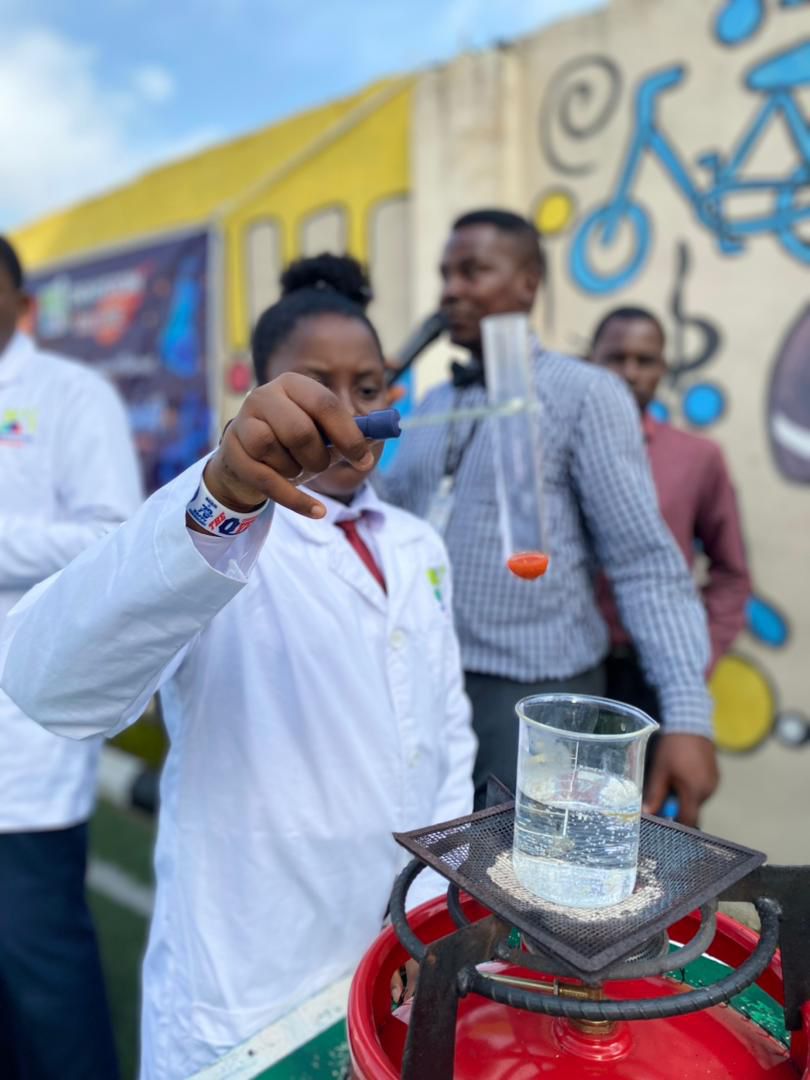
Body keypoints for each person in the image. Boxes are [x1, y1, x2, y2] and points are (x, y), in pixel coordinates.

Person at [0, 256, 476, 1080]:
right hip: (247, 988)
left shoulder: (416, 545)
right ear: (262, 396)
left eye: (367, 387)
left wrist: (428, 914)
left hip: (392, 962)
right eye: (314, 387)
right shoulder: (216, 523)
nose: (345, 412)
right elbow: (51, 685)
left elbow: (447, 737)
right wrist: (222, 497)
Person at [383, 208, 718, 826]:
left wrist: (688, 715)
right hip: (427, 682)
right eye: (446, 274)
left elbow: (644, 561)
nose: (451, 290)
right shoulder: (433, 400)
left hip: (532, 699)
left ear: (528, 283)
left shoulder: (586, 393)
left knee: (518, 876)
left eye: (473, 271)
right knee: (433, 865)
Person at [0, 235, 142, 1079]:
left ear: (19, 304)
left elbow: (111, 538)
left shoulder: (68, 394)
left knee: (42, 975)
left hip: (22, 743)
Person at [590, 305, 751, 718]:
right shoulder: (555, 453)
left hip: (656, 672)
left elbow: (731, 572)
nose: (629, 372)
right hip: (571, 666)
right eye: (615, 358)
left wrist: (700, 656)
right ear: (590, 362)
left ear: (663, 368)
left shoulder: (696, 457)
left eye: (644, 360)